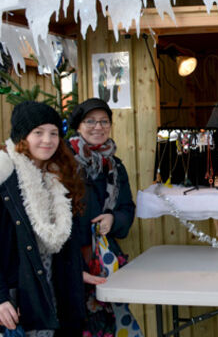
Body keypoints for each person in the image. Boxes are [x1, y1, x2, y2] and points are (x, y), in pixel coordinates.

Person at [0, 101, 104, 336]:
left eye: (54, 133)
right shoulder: (5, 178)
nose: (47, 140)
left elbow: (66, 240)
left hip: (57, 292)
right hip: (20, 298)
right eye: (38, 132)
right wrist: (0, 297)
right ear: (22, 137)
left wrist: (77, 270)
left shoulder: (58, 176)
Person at [68, 98, 136, 334]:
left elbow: (128, 208)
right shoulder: (62, 162)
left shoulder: (115, 166)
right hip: (69, 260)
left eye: (104, 121)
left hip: (104, 258)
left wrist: (113, 219)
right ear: (78, 125)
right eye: (90, 121)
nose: (98, 127)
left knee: (108, 324)